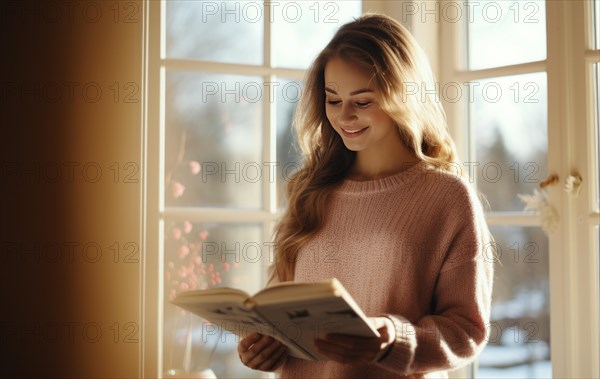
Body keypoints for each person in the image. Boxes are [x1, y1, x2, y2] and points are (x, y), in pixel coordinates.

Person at [237, 13, 494, 378]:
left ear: (403, 98)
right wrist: (264, 345)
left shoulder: (447, 198)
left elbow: (467, 330)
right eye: (332, 99)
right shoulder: (312, 190)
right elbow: (283, 310)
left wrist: (394, 340)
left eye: (362, 101)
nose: (344, 116)